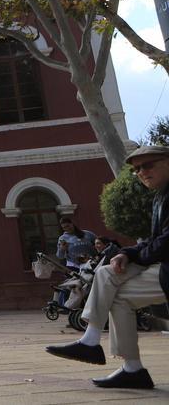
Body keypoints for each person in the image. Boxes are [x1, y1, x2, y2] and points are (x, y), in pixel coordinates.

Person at [46, 144, 169, 389]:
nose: (142, 172)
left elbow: (165, 243)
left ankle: (103, 349)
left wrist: (135, 256)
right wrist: (126, 253)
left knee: (115, 292)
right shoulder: (161, 196)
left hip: (164, 267)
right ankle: (117, 359)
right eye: (137, 170)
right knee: (106, 274)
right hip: (161, 264)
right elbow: (157, 241)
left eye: (148, 165)